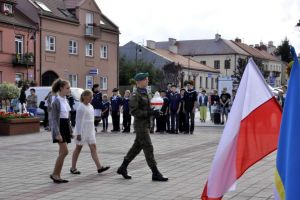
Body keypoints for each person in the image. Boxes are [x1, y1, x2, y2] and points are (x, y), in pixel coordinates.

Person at [117, 72, 168, 181]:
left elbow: (148, 108)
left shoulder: (146, 93)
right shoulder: (135, 95)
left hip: (146, 124)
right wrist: (150, 113)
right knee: (148, 147)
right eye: (146, 79)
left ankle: (123, 167)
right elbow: (134, 111)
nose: (148, 80)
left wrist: (155, 112)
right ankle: (155, 173)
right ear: (139, 81)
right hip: (140, 125)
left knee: (136, 147)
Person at [70, 89, 110, 175]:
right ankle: (73, 168)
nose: (91, 98)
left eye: (92, 96)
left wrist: (94, 125)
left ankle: (99, 167)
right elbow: (78, 121)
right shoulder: (81, 107)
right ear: (84, 96)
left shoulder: (90, 106)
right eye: (90, 96)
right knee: (78, 148)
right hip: (82, 130)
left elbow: (91, 118)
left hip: (90, 130)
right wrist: (79, 133)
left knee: (93, 147)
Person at [50, 78, 73, 183]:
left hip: (65, 127)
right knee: (65, 151)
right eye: (67, 88)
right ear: (61, 88)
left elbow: (67, 118)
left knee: (61, 152)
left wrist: (71, 131)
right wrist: (57, 133)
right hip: (59, 128)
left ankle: (57, 174)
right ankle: (55, 174)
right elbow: (54, 119)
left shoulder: (65, 100)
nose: (69, 90)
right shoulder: (56, 101)